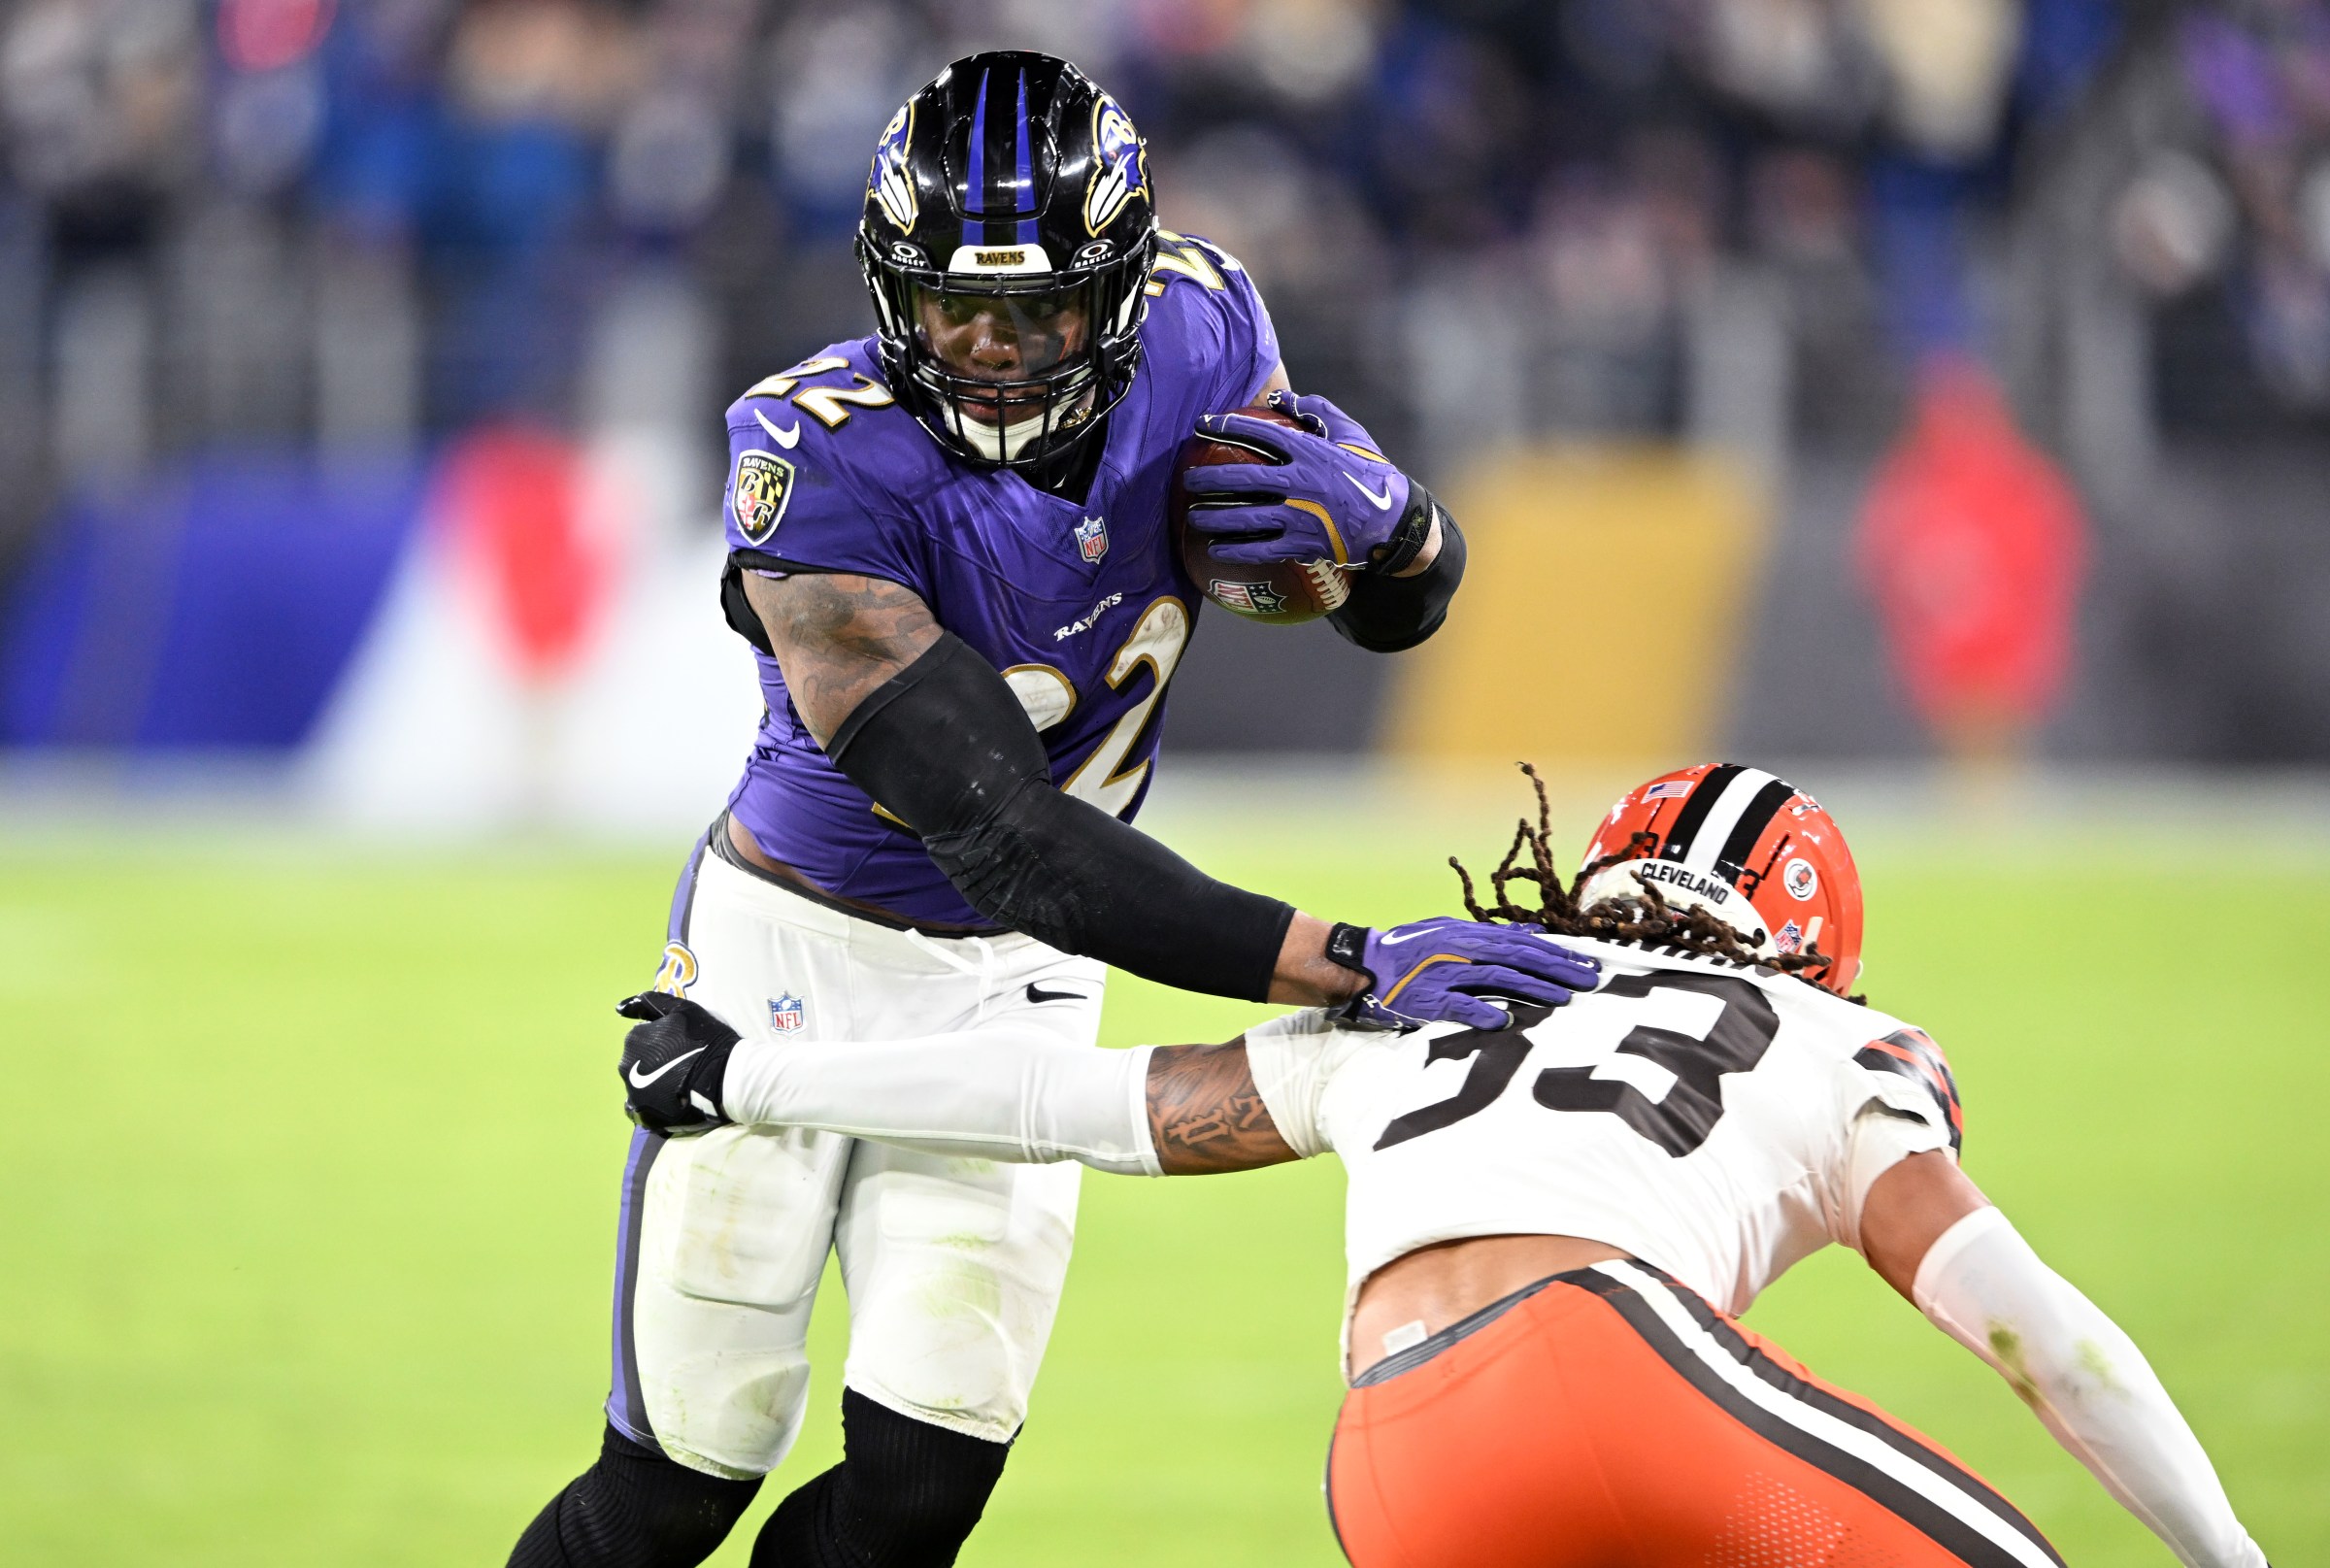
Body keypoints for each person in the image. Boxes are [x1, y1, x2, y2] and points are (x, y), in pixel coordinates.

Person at [510, 51, 1604, 1568]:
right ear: (895, 292)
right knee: (680, 1483)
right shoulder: (813, 458)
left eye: (1041, 311)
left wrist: (1407, 534)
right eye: (957, 308)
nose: (995, 351)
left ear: (1125, 291)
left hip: (1023, 979)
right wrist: (1349, 961)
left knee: (917, 1500)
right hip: (797, 956)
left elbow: (1382, 610)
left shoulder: (1209, 335)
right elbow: (1008, 836)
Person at [617, 762, 2274, 1568]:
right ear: (1813, 950)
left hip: (1390, 1472)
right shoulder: (1831, 1043)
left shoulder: (1423, 1004)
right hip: (1613, 1375)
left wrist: (752, 1071)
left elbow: (1067, 1099)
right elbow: (2044, 1342)